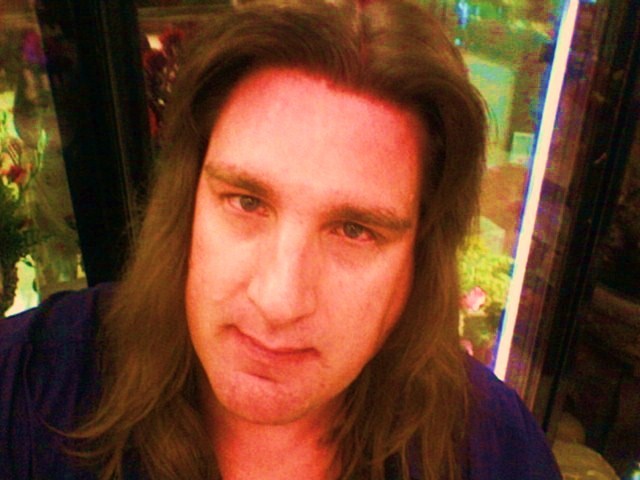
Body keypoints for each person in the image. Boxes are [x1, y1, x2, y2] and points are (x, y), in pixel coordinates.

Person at [0, 1, 562, 479]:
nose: (279, 301)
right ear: (187, 201)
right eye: (246, 202)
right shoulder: (28, 390)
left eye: (354, 230)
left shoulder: (492, 450)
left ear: (421, 257)